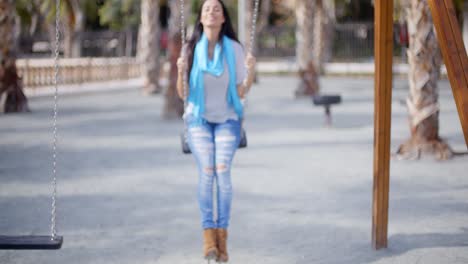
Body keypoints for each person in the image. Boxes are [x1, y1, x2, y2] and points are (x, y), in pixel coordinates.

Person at [176, 0, 256, 262]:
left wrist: (251, 73)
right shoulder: (190, 49)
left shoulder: (234, 49)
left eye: (217, 9)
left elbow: (242, 91)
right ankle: (209, 240)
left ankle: (221, 241)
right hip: (198, 119)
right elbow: (183, 94)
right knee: (207, 172)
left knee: (222, 173)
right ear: (200, 18)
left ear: (224, 19)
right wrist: (179, 72)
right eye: (207, 9)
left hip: (228, 119)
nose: (211, 12)